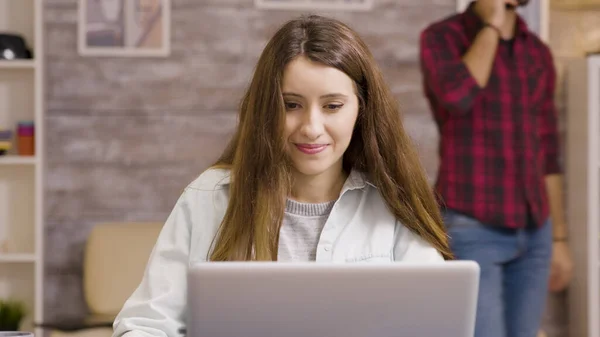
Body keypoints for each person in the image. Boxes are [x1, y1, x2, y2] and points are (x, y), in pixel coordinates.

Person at [112, 14, 452, 337]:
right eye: (291, 105)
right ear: (266, 108)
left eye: (332, 106)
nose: (311, 128)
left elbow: (438, 325)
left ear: (362, 110)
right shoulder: (209, 198)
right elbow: (146, 324)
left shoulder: (391, 204)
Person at [419, 1, 573, 337]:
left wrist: (559, 237)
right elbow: (457, 96)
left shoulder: (537, 52)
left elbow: (548, 151)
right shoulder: (441, 38)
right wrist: (491, 26)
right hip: (471, 227)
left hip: (535, 230)